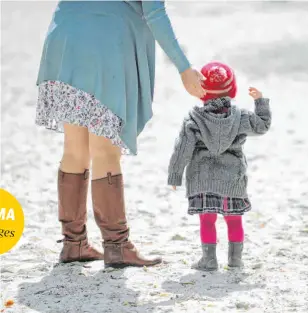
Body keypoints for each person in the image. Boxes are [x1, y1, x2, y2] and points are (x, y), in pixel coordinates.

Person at [35, 0, 206, 268]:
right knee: (105, 151)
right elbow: (155, 12)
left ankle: (74, 243)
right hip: (103, 45)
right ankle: (117, 246)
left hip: (64, 39)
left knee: (74, 149)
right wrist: (184, 68)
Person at [167, 62, 272, 271]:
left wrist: (175, 175)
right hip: (232, 178)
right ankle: (235, 260)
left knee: (207, 220)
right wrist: (260, 101)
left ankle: (209, 259)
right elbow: (262, 126)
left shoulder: (194, 119)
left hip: (202, 179)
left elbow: (182, 148)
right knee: (234, 220)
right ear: (232, 89)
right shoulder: (240, 117)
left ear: (201, 91)